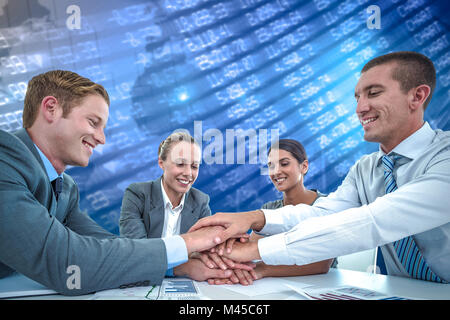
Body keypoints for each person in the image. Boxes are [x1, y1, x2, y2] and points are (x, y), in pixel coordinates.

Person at [189, 51, 450, 283]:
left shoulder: (445, 156)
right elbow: (322, 214)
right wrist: (254, 218)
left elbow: (374, 221)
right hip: (407, 290)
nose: (360, 108)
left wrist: (251, 252)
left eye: (374, 93)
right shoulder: (365, 169)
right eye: (357, 97)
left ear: (417, 96)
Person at [0, 70, 239, 296]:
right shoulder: (4, 158)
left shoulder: (66, 188)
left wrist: (177, 266)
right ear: (51, 108)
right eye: (94, 122)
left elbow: (105, 245)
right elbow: (69, 263)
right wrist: (187, 243)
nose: (101, 138)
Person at [207, 139, 335, 285]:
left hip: (323, 285)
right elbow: (249, 249)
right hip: (276, 286)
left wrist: (263, 269)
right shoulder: (269, 209)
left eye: (284, 163)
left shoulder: (326, 205)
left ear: (304, 166)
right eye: (271, 166)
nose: (276, 172)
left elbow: (321, 263)